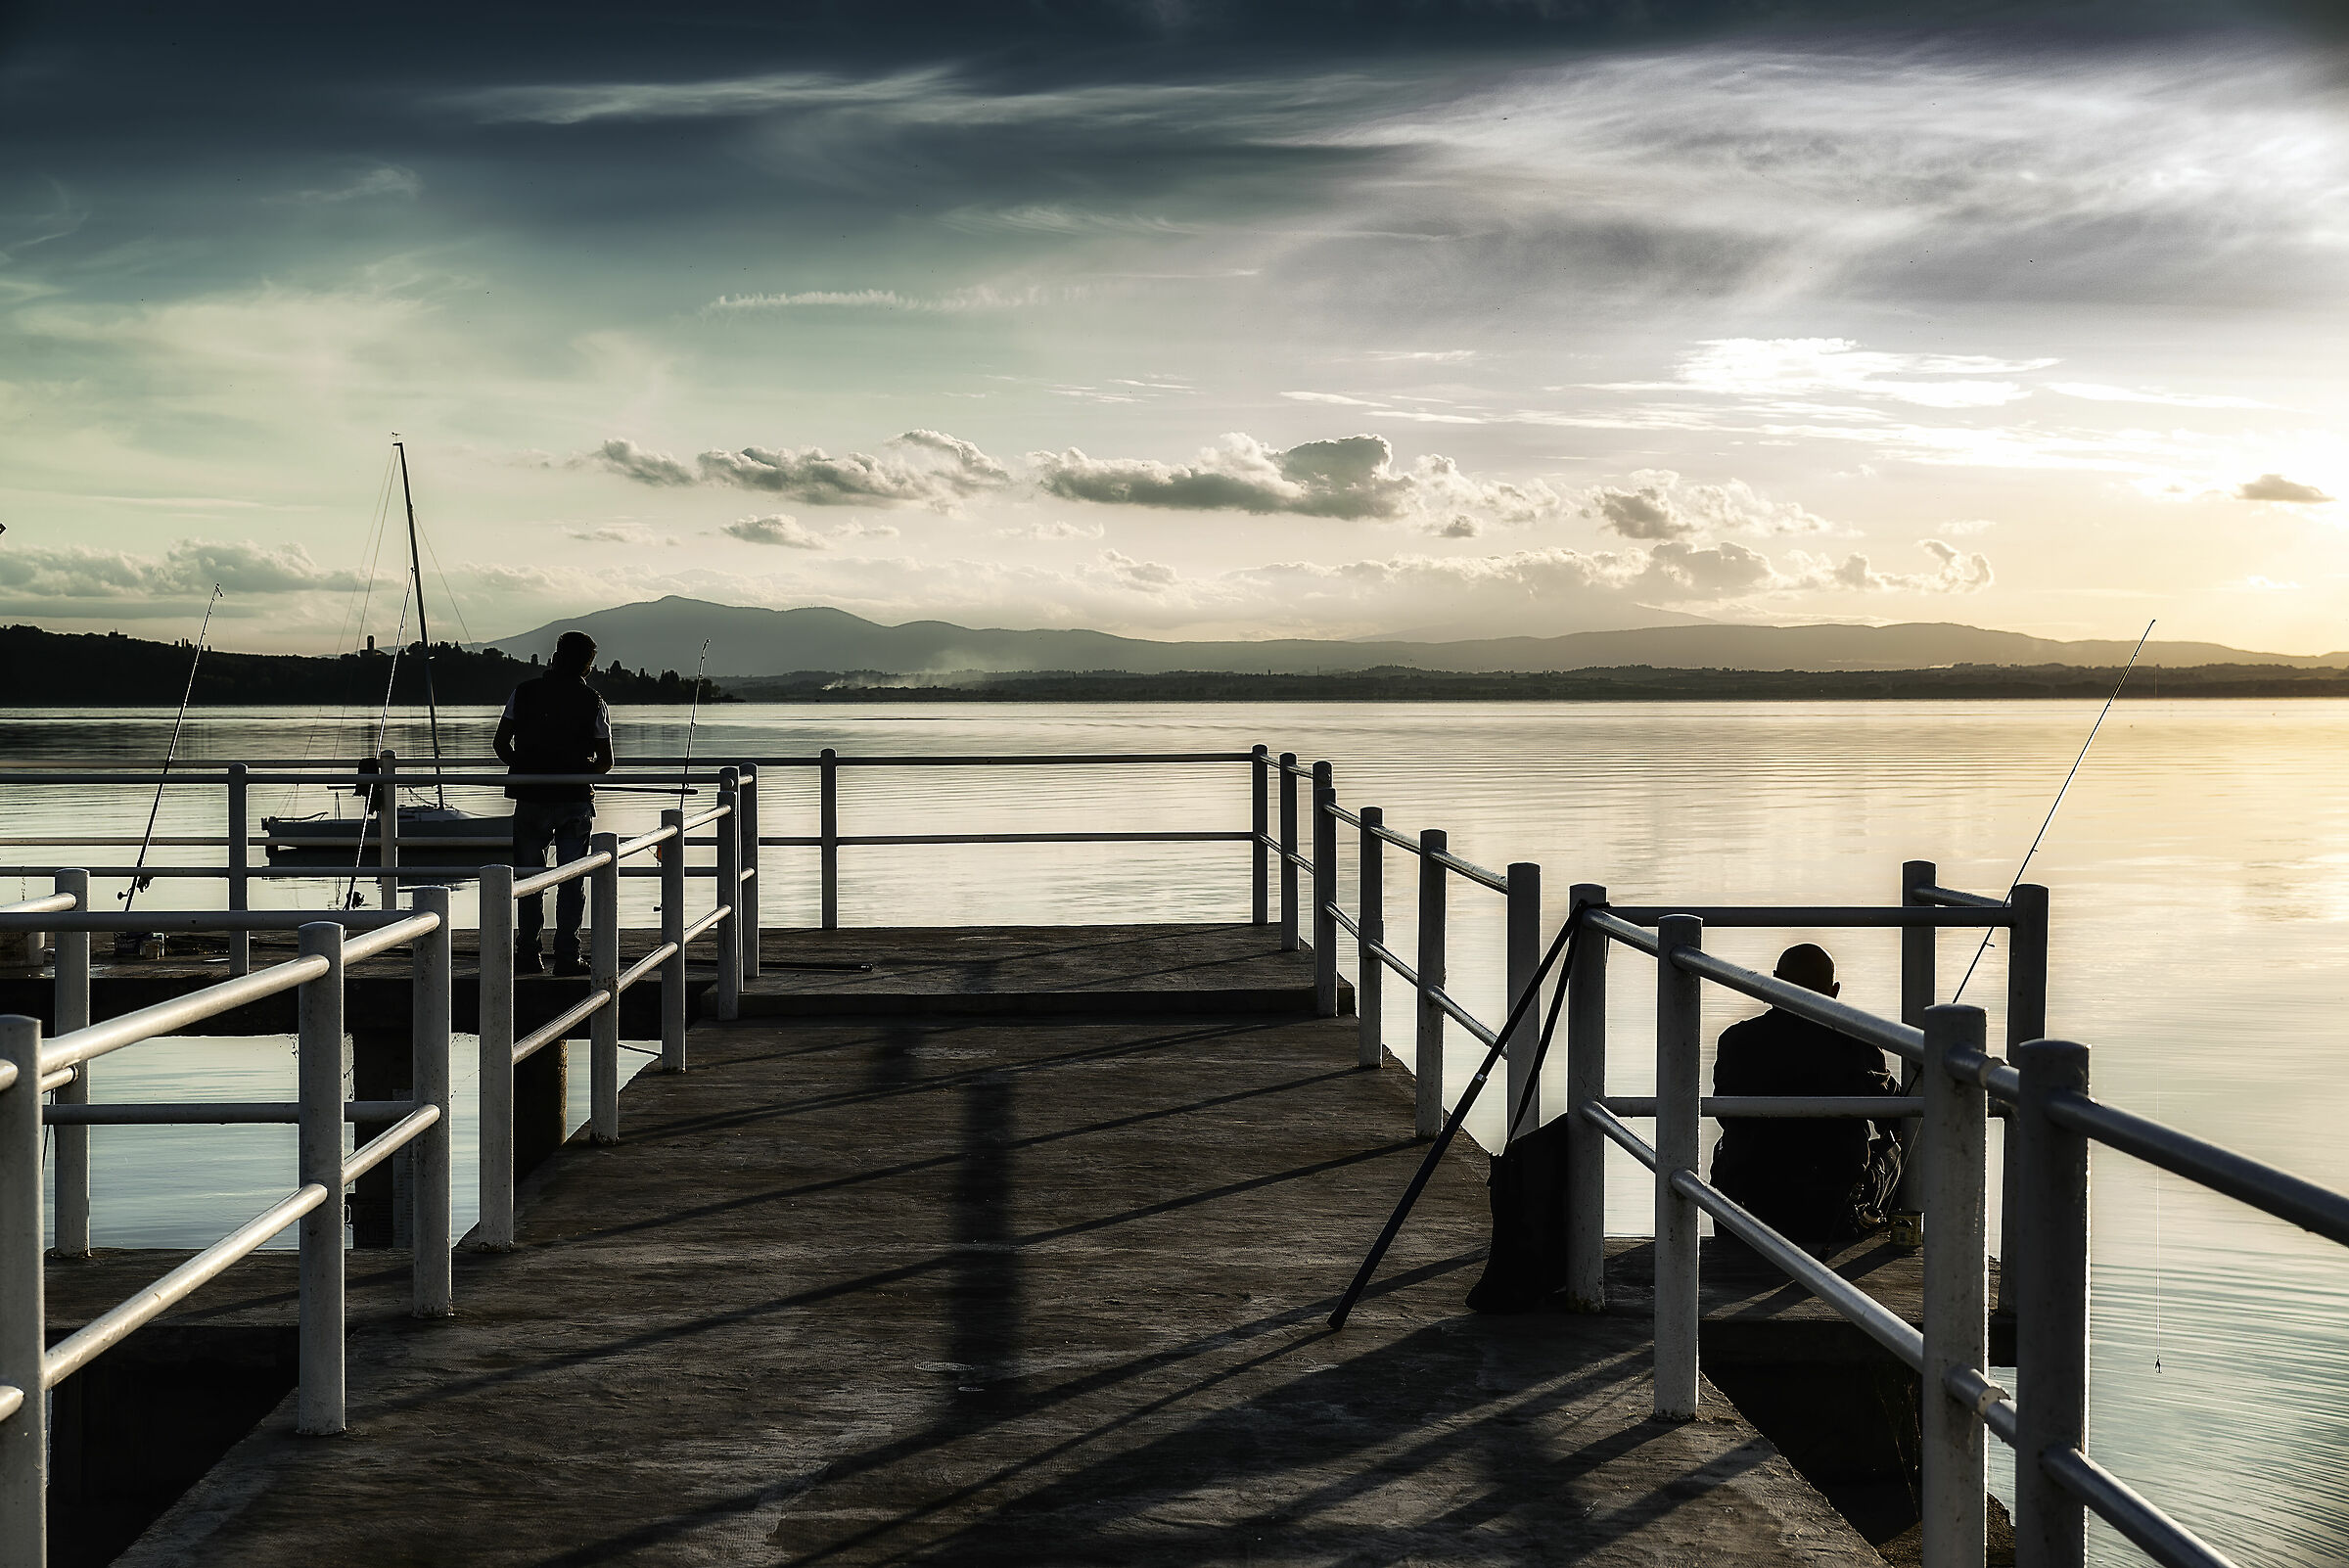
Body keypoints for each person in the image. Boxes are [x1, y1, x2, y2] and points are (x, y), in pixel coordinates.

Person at [1708, 943, 1904, 1245]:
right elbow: (1894, 1117)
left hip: (1753, 1199)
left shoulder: (1736, 1040)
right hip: (1832, 1209)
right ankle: (1895, 1236)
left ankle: (1731, 1241)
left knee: (1726, 1147)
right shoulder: (1857, 1042)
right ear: (1834, 991)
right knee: (1897, 1147)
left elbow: (1726, 1116)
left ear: (1774, 982)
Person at [495, 630, 613, 975]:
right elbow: (606, 761)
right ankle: (567, 956)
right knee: (572, 880)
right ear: (587, 668)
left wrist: (525, 768)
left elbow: (501, 743)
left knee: (529, 878)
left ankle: (528, 953)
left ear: (554, 658)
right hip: (574, 800)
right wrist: (578, 772)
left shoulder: (524, 692)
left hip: (530, 799)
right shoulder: (593, 700)